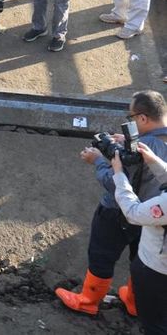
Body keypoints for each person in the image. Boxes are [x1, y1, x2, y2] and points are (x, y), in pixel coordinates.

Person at [56, 90, 167, 317]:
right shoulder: (149, 143)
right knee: (140, 259)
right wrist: (127, 140)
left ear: (143, 118)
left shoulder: (140, 151)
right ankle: (134, 302)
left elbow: (117, 183)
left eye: (132, 117)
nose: (131, 122)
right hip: (154, 220)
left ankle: (88, 301)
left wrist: (98, 160)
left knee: (102, 255)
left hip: (118, 213)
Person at [113, 139, 167, 332]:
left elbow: (133, 213)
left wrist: (119, 174)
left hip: (156, 271)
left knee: (154, 323)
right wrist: (152, 160)